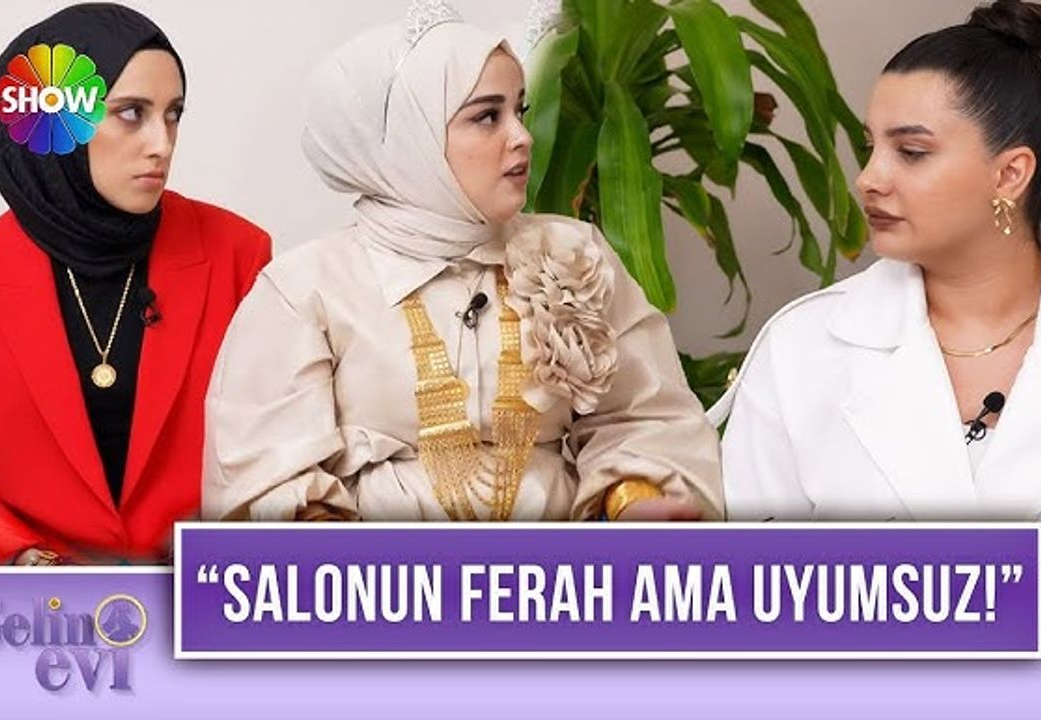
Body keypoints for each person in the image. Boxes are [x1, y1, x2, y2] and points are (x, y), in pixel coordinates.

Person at [719, 0, 1041, 564]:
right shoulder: (800, 349)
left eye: (911, 152)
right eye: (870, 147)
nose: (869, 178)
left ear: (1010, 174)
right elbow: (748, 590)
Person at [202, 4, 721, 523]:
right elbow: (270, 478)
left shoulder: (573, 253)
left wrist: (636, 501)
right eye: (487, 117)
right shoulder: (306, 288)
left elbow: (645, 417)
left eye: (520, 110)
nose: (523, 136)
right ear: (413, 138)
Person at [0, 4, 271, 564]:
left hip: (199, 583)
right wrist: (22, 558)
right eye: (131, 113)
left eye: (173, 114)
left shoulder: (239, 252)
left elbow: (270, 448)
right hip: (35, 598)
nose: (162, 143)